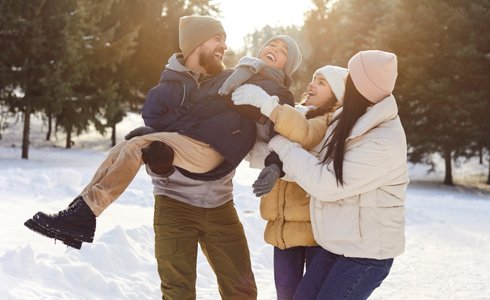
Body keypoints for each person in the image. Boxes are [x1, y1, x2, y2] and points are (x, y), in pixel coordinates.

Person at [24, 15, 301, 299]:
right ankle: (80, 214)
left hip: (220, 202)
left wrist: (274, 166)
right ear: (197, 42)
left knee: (241, 289)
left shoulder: (235, 81)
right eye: (217, 39)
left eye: (282, 51)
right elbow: (180, 128)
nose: (224, 46)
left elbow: (282, 132)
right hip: (175, 204)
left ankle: (82, 214)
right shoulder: (171, 91)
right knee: (176, 291)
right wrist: (158, 158)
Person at [232, 50, 408, 299]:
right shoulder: (349, 121)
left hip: (366, 254)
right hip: (336, 244)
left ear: (362, 87)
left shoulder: (382, 140)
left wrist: (283, 146)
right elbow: (314, 161)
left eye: (352, 79)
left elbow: (326, 183)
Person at [235, 65, 348, 299]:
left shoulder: (327, 120)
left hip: (312, 231)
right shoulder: (296, 112)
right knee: (285, 293)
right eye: (313, 78)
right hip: (282, 227)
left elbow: (304, 133)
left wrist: (268, 105)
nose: (312, 84)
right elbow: (269, 147)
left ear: (337, 95)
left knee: (309, 295)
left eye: (322, 82)